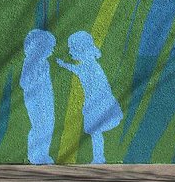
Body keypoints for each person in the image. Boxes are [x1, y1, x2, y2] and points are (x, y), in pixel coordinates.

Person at [56, 30, 122, 163]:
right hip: (97, 105)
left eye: (72, 49)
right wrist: (64, 65)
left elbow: (89, 79)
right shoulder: (89, 65)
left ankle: (99, 158)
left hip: (100, 105)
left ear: (82, 49)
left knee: (96, 131)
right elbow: (77, 70)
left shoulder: (91, 67)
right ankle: (99, 158)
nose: (70, 52)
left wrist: (64, 65)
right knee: (95, 132)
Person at [21, 28, 57, 164]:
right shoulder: (30, 62)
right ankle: (35, 155)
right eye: (50, 47)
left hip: (46, 99)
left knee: (48, 126)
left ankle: (44, 154)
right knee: (38, 126)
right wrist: (35, 85)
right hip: (34, 100)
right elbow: (24, 82)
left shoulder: (45, 63)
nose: (52, 51)